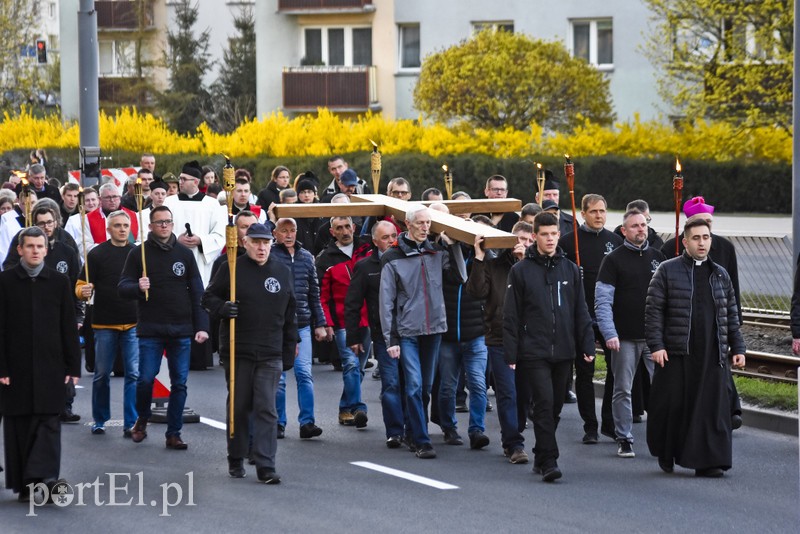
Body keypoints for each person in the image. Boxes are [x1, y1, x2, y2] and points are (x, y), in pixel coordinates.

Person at [645, 216, 745, 477]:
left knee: (713, 410)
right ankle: (667, 453)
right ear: (685, 242)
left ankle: (709, 461)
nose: (702, 243)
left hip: (713, 355)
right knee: (673, 408)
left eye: (706, 237)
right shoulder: (667, 270)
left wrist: (738, 348)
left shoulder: (720, 274)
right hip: (678, 353)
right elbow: (653, 311)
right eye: (696, 238)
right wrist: (656, 345)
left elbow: (730, 314)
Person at [203, 223, 298, 484]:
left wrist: (290, 347)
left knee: (267, 408)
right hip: (238, 350)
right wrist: (223, 308)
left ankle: (266, 464)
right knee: (240, 405)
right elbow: (208, 297)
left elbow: (291, 312)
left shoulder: (281, 270)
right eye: (256, 242)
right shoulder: (230, 268)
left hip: (270, 350)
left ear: (272, 243)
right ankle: (236, 455)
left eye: (266, 242)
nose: (261, 247)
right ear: (245, 243)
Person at [503, 212, 595, 482]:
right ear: (534, 236)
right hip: (534, 350)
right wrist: (512, 351)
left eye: (554, 234)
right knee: (543, 404)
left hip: (564, 350)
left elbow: (581, 309)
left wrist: (586, 343)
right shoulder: (520, 271)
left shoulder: (569, 269)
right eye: (545, 234)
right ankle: (550, 461)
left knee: (554, 407)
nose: (551, 239)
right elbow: (511, 315)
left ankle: (541, 453)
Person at [0, 226, 81, 502]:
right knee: (19, 426)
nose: (35, 250)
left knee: (48, 423)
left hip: (51, 365)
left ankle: (45, 479)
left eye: (40, 246)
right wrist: (2, 368)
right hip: (15, 368)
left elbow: (68, 327)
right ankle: (25, 484)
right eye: (30, 246)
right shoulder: (5, 282)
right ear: (20, 249)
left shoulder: (59, 282)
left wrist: (73, 366)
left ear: (46, 250)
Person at [119, 206, 209, 450]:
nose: (164, 226)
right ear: (150, 226)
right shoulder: (139, 254)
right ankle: (143, 418)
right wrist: (137, 286)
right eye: (159, 222)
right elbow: (123, 286)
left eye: (168, 221)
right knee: (145, 379)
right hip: (150, 328)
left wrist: (201, 326)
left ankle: (174, 432)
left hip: (181, 329)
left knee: (179, 383)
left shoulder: (184, 254)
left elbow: (197, 291)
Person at [379, 205, 465, 459]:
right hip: (407, 332)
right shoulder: (392, 257)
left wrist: (454, 246)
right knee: (414, 386)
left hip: (434, 329)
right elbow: (386, 302)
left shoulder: (437, 251)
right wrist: (390, 339)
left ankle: (410, 430)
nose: (425, 227)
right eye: (420, 223)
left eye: (428, 223)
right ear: (408, 224)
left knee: (426, 388)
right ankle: (421, 440)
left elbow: (461, 277)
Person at [660, 196, 743, 429]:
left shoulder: (725, 247)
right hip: (683, 327)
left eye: (709, 223)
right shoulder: (670, 249)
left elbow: (732, 289)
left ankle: (730, 409)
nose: (705, 235)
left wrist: (735, 329)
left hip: (717, 321)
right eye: (701, 223)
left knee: (720, 367)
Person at [595, 209, 664, 458]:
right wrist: (608, 332)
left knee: (662, 387)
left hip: (655, 338)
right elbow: (603, 301)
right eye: (634, 226)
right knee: (623, 389)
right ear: (624, 231)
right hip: (623, 337)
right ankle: (624, 437)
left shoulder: (658, 258)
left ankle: (662, 434)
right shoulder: (613, 260)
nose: (640, 229)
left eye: (643, 225)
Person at [466, 221, 534, 464]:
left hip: (531, 338)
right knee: (507, 392)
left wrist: (524, 263)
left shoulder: (535, 266)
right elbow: (475, 292)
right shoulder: (494, 265)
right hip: (499, 337)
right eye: (519, 239)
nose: (523, 244)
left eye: (528, 240)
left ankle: (514, 431)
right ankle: (514, 444)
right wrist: (479, 257)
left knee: (525, 395)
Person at [558, 193, 622, 443]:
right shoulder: (567, 242)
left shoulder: (615, 242)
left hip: (609, 316)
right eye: (593, 211)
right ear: (582, 213)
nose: (599, 216)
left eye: (602, 211)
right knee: (584, 372)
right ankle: (590, 425)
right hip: (580, 316)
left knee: (615, 372)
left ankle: (609, 421)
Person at [76, 210, 139, 438]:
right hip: (104, 323)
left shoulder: (138, 254)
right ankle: (100, 419)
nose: (122, 229)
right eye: (117, 225)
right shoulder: (96, 254)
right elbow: (81, 285)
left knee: (133, 373)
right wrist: (83, 291)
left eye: (125, 225)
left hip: (133, 322)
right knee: (102, 374)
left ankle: (131, 422)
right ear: (108, 229)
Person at [344, 221, 404, 448]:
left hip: (411, 333)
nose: (390, 240)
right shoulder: (365, 266)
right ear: (375, 241)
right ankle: (395, 431)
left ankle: (413, 426)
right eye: (385, 237)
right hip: (383, 335)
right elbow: (352, 303)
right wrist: (354, 337)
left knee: (415, 384)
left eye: (393, 236)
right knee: (390, 384)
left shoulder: (406, 259)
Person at [271, 218, 327, 440]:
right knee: (280, 378)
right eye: (284, 231)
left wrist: (321, 323)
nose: (289, 235)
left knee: (304, 374)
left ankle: (307, 423)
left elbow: (314, 292)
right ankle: (278, 422)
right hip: (278, 326)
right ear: (275, 233)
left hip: (303, 324)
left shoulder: (306, 257)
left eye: (292, 230)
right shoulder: (271, 256)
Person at [316, 216, 372, 427]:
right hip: (342, 321)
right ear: (332, 232)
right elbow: (322, 296)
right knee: (350, 363)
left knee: (359, 367)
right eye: (339, 228)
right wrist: (325, 322)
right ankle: (358, 407)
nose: (345, 231)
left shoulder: (367, 248)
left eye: (348, 226)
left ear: (354, 227)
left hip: (367, 319)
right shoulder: (325, 259)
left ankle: (345, 408)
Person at [163, 161, 226, 287]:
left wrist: (201, 240)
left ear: (196, 182)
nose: (180, 182)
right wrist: (175, 239)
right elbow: (160, 229)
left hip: (200, 260)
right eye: (180, 178)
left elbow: (220, 235)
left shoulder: (212, 204)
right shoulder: (168, 202)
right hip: (173, 256)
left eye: (184, 179)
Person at [535, 170, 573, 236]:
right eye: (547, 195)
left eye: (555, 195)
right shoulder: (530, 220)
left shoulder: (571, 222)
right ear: (537, 199)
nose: (552, 198)